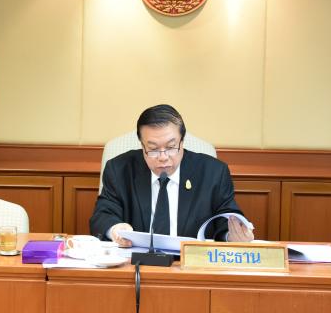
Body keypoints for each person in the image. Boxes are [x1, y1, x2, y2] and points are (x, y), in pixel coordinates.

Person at [90, 104, 253, 246]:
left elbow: (227, 218)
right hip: (136, 263)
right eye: (153, 149)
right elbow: (102, 215)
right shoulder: (119, 170)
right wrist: (115, 229)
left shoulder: (213, 172)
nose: (163, 157)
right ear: (142, 145)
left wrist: (232, 235)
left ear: (182, 141)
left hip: (191, 264)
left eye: (171, 147)